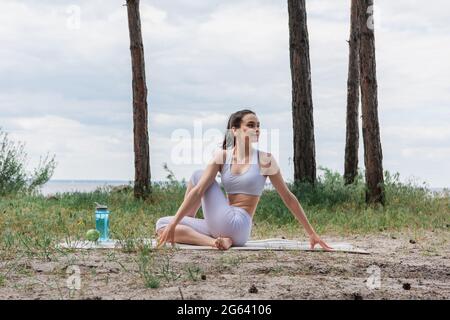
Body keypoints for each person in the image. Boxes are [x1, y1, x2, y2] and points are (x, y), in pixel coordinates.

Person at [156, 109, 332, 251]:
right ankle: (217, 241)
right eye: (251, 125)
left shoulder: (264, 159)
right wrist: (173, 224)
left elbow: (288, 197)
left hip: (236, 221)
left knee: (197, 176)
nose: (257, 129)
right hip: (237, 232)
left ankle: (197, 231)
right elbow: (288, 198)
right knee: (162, 225)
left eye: (258, 126)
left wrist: (312, 233)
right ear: (235, 130)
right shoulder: (225, 157)